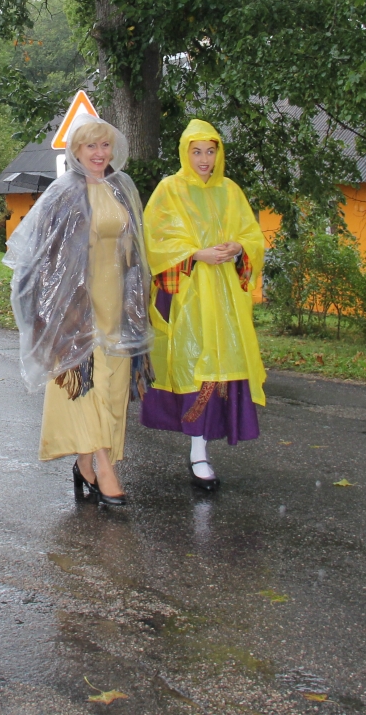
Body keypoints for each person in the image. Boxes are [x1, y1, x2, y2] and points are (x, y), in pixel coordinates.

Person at [7, 118, 153, 507]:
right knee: (89, 387)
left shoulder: (121, 189)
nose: (99, 154)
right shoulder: (62, 194)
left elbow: (136, 252)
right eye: (90, 147)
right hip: (77, 310)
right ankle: (105, 469)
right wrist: (49, 313)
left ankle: (85, 466)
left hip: (117, 305)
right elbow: (35, 255)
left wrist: (138, 303)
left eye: (104, 145)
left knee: (114, 389)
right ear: (76, 152)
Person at [139, 119, 267, 491]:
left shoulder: (230, 191)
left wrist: (238, 248)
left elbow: (251, 234)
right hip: (190, 300)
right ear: (185, 153)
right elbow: (156, 238)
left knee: (223, 366)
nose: (204, 159)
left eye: (210, 151)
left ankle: (203, 449)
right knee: (196, 367)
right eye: (197, 151)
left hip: (226, 301)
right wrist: (196, 253)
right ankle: (198, 452)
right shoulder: (169, 190)